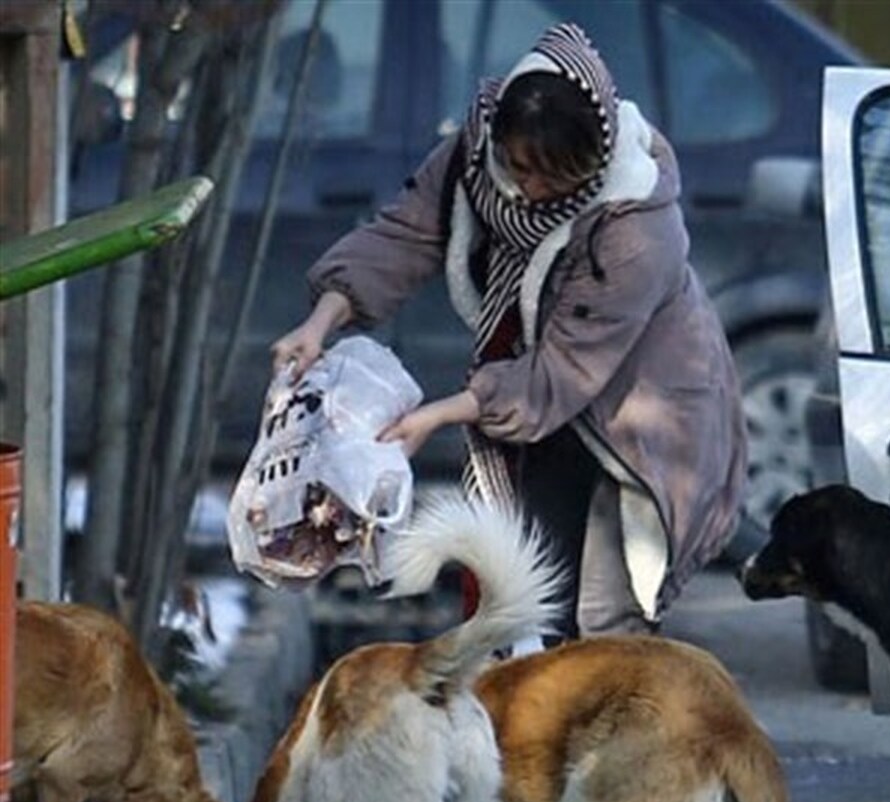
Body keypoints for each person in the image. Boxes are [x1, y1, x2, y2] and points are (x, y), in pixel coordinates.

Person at [271, 23, 747, 640]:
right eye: (521, 167)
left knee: (603, 617)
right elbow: (403, 235)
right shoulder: (474, 155)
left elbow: (563, 371)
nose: (532, 189)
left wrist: (439, 415)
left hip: (639, 409)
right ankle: (521, 722)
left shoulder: (636, 227)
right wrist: (319, 323)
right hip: (531, 394)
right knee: (522, 592)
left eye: (557, 178)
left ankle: (600, 729)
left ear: (597, 159)